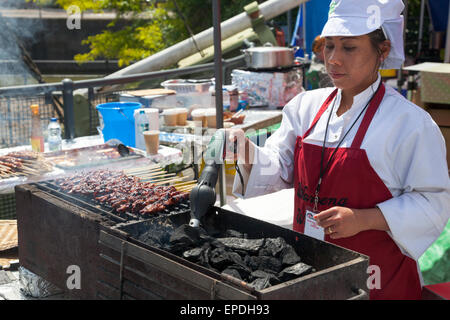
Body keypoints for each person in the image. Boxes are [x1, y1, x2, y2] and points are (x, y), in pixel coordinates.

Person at [227, 0, 450, 300]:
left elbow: (433, 202)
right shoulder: (304, 108)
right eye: (328, 46)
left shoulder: (410, 124)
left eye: (349, 48)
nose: (333, 59)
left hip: (378, 282)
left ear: (382, 51)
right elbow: (281, 169)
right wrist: (246, 152)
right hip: (309, 269)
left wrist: (364, 219)